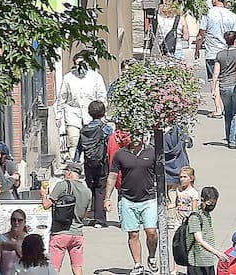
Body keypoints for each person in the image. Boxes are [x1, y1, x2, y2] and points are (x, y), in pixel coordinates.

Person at [105, 132, 159, 275]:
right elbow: (112, 177)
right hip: (128, 199)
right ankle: (138, 264)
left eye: (139, 135)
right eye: (132, 135)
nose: (135, 139)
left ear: (143, 137)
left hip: (149, 198)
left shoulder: (152, 152)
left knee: (151, 231)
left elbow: (160, 175)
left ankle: (152, 257)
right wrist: (107, 198)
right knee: (133, 234)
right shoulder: (120, 155)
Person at [56, 57, 108, 162]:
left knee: (91, 140)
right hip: (73, 113)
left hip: (92, 114)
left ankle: (90, 163)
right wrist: (59, 116)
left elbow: (102, 97)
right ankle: (75, 166)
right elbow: (62, 98)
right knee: (74, 140)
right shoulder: (68, 78)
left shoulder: (95, 77)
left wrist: (101, 114)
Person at [43, 161, 89, 275]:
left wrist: (44, 194)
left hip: (60, 233)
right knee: (77, 268)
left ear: (69, 173)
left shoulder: (62, 185)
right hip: (77, 234)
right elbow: (84, 215)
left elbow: (46, 205)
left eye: (65, 172)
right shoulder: (87, 191)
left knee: (54, 269)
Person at [74, 100, 111, 227]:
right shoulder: (106, 129)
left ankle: (90, 216)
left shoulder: (84, 130)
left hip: (88, 163)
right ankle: (100, 219)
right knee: (101, 189)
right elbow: (111, 147)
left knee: (90, 189)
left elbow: (79, 148)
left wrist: (75, 162)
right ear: (103, 113)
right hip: (102, 163)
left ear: (90, 113)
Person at [195, 0, 236, 88]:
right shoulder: (232, 15)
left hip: (212, 53)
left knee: (214, 81)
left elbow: (200, 36)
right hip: (228, 53)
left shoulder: (207, 14)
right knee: (228, 81)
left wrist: (197, 51)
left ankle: (217, 102)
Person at [184, 187, 228, 275]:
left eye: (214, 203)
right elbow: (199, 240)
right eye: (209, 203)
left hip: (207, 261)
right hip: (197, 263)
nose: (211, 206)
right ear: (202, 200)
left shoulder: (206, 214)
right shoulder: (195, 217)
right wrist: (217, 253)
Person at [211, 30, 236, 149]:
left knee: (227, 112)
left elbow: (215, 73)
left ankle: (229, 135)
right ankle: (233, 139)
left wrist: (213, 88)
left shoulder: (220, 54)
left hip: (223, 85)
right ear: (235, 40)